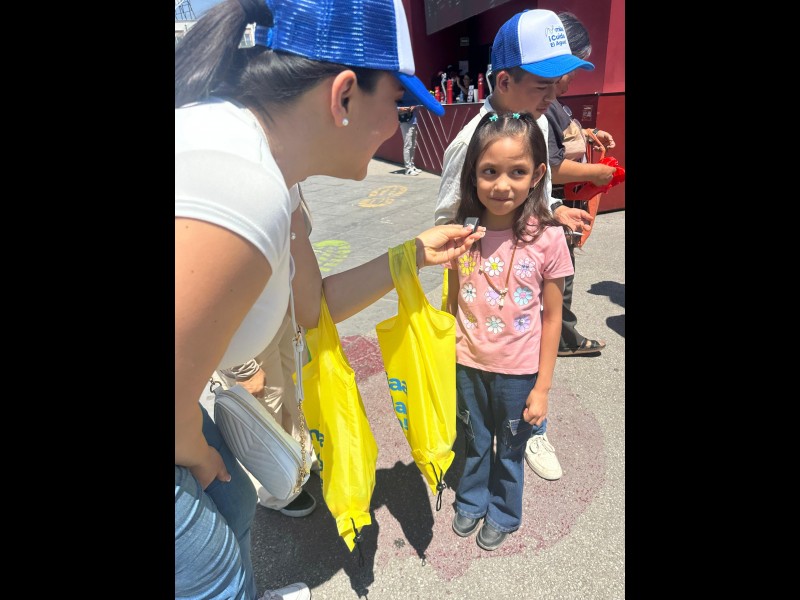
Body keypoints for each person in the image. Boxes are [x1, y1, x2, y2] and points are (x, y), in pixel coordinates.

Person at [175, 1, 485, 599]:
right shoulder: (243, 185)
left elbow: (312, 308)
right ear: (343, 95)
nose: (396, 125)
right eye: (395, 102)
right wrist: (199, 455)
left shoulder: (270, 173)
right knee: (216, 571)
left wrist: (412, 255)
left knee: (237, 504)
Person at [434, 9, 594, 489]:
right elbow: (445, 220)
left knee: (532, 347)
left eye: (557, 83)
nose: (554, 95)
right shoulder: (470, 143)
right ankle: (482, 437)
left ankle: (532, 428)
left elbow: (536, 191)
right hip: (485, 278)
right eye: (543, 85)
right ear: (504, 81)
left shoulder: (535, 123)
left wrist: (553, 211)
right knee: (487, 364)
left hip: (530, 270)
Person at [445, 111, 574, 551]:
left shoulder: (548, 238)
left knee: (511, 447)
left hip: (519, 374)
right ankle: (471, 498)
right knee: (475, 439)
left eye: (517, 172)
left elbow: (552, 318)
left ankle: (504, 510)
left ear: (537, 175)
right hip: (467, 365)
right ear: (473, 174)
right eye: (489, 172)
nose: (502, 185)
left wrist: (543, 388)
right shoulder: (462, 233)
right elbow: (452, 300)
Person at [216, 185, 319, 519]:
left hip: (279, 302)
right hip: (247, 318)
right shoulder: (231, 175)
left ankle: (299, 459)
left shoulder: (280, 171)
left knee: (291, 385)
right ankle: (275, 491)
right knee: (266, 402)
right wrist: (240, 367)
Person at [544, 11, 615, 361]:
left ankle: (557, 334)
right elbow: (550, 167)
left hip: (562, 204)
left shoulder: (552, 102)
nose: (573, 77)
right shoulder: (542, 104)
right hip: (555, 205)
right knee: (561, 275)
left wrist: (589, 134)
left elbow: (563, 139)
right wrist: (596, 172)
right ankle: (562, 338)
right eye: (572, 67)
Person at [397, 91, 421, 175]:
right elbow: (392, 106)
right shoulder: (400, 94)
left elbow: (419, 103)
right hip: (405, 121)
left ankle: (411, 165)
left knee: (413, 145)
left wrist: (415, 106)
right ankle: (408, 168)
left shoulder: (412, 94)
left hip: (413, 121)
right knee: (408, 145)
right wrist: (401, 108)